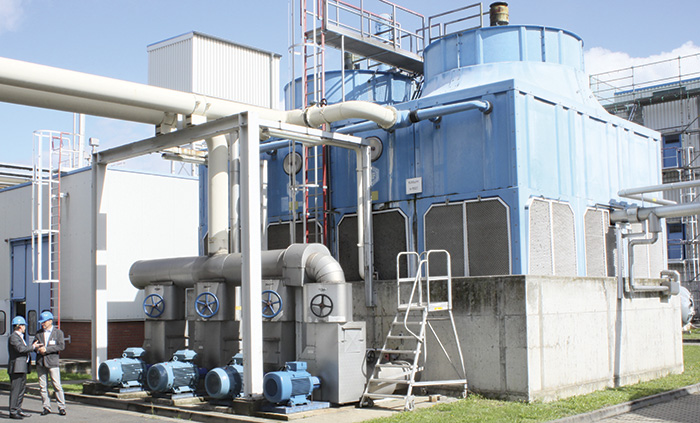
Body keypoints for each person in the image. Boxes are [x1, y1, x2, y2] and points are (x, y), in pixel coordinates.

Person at [8, 316, 42, 420]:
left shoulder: (20, 336)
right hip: (16, 367)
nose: (24, 328)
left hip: (22, 367)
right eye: (23, 326)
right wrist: (33, 347)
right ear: (19, 326)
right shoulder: (13, 337)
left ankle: (18, 409)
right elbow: (20, 349)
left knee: (21, 389)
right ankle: (13, 410)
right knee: (16, 390)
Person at [33, 311, 66, 416]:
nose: (42, 324)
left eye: (44, 322)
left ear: (50, 321)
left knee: (57, 385)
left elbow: (61, 346)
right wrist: (37, 349)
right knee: (43, 386)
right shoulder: (38, 333)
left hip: (52, 362)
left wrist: (46, 349)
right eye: (41, 322)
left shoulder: (58, 333)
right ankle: (46, 407)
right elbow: (34, 346)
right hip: (41, 363)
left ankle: (61, 407)